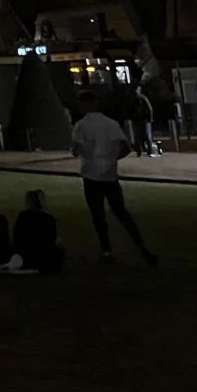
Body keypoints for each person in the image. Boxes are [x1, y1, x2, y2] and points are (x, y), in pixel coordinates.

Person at [70, 90, 156, 266]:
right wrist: (111, 158)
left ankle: (106, 250)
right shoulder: (110, 123)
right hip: (109, 174)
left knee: (98, 214)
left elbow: (76, 149)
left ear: (86, 104)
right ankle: (140, 245)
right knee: (121, 211)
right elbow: (126, 147)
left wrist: (89, 155)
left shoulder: (81, 125)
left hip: (91, 174)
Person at [12, 190, 65, 274]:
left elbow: (16, 237)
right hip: (42, 254)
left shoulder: (23, 216)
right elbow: (52, 238)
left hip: (26, 253)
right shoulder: (49, 218)